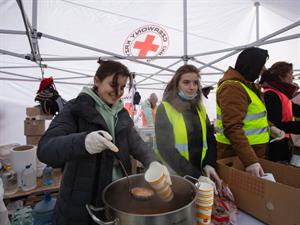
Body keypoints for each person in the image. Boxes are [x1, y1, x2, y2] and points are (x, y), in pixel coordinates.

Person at [37, 60, 168, 225]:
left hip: (118, 198)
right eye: (113, 85)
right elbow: (45, 149)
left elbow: (137, 144)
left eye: (122, 87)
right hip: (82, 203)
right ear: (97, 81)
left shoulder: (121, 113)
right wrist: (83, 142)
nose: (118, 92)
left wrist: (153, 163)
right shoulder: (75, 109)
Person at [155, 64, 222, 188]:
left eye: (195, 83)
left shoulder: (200, 108)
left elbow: (210, 138)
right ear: (176, 85)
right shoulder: (165, 108)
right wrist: (195, 176)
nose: (192, 87)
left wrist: (209, 163)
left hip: (201, 174)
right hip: (175, 177)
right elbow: (166, 149)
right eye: (186, 82)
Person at [215, 47, 269, 177]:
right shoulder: (233, 87)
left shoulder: (246, 86)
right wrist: (250, 161)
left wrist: (270, 127)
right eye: (261, 66)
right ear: (252, 66)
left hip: (248, 154)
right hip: (238, 157)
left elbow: (250, 116)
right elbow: (233, 127)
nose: (264, 70)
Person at [259, 61, 300, 162]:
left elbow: (295, 109)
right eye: (291, 74)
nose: (293, 77)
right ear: (281, 76)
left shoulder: (281, 94)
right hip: (275, 145)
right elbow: (276, 124)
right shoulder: (271, 95)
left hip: (283, 142)